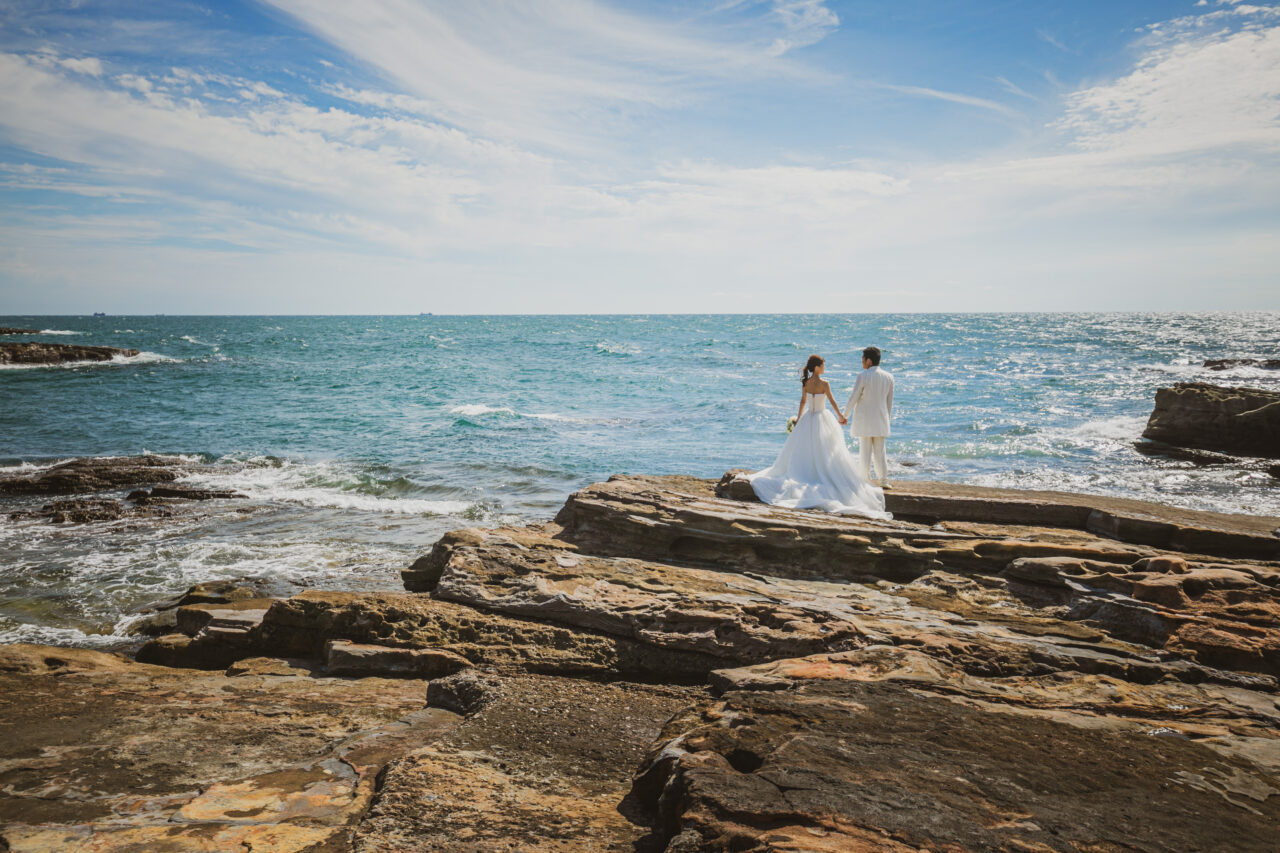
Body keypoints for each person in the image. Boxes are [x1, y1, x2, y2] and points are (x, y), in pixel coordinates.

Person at [748, 354, 890, 519]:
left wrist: (799, 419)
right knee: (826, 451)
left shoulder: (806, 383)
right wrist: (841, 417)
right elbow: (832, 402)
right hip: (823, 418)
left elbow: (802, 402)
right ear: (816, 367)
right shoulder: (824, 384)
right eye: (822, 365)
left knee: (806, 449)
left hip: (809, 418)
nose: (824, 368)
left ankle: (810, 471)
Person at [844, 346, 894, 489]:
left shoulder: (863, 376)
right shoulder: (889, 377)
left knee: (865, 450)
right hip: (881, 419)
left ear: (869, 361)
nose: (862, 362)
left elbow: (854, 397)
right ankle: (883, 480)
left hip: (865, 419)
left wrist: (845, 415)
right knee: (880, 451)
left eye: (863, 359)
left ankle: (865, 479)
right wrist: (887, 420)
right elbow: (889, 402)